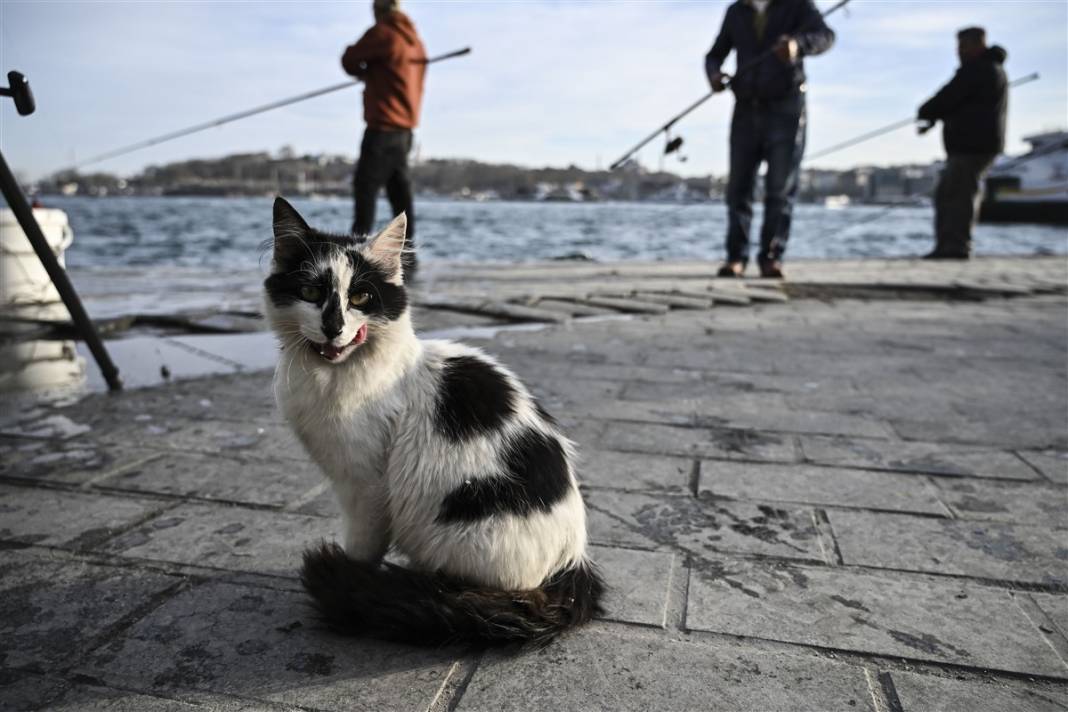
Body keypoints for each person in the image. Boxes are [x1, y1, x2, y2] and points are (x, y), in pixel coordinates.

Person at [706, 0, 835, 279]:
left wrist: (798, 46)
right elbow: (715, 54)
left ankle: (771, 257)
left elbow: (825, 36)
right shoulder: (736, 11)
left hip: (786, 108)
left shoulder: (798, 5)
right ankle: (735, 257)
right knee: (739, 187)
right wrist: (714, 75)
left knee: (780, 187)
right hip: (745, 107)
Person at [342, 0, 426, 279]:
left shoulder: (383, 34)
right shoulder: (415, 42)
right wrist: (374, 71)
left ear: (379, 10)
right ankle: (408, 255)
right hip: (406, 131)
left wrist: (366, 71)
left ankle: (357, 256)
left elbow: (350, 59)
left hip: (382, 128)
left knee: (365, 189)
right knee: (399, 192)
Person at [917, 27, 1008, 260]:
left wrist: (926, 112)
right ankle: (950, 245)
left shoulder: (978, 70)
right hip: (977, 146)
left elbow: (948, 97)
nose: (959, 52)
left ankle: (955, 247)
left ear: (977, 44)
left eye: (963, 46)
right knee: (952, 194)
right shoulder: (991, 70)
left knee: (957, 196)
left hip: (971, 147)